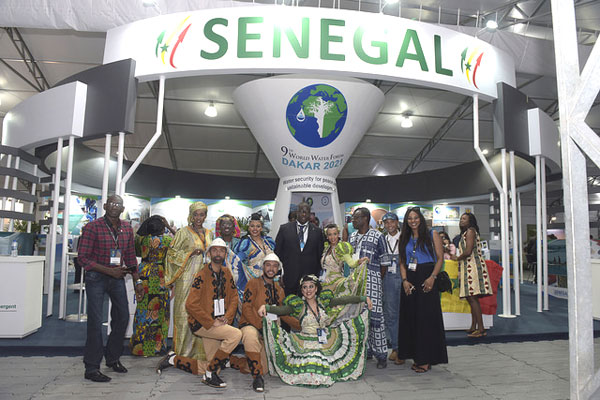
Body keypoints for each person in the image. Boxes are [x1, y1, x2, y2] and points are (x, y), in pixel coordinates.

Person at [258, 275, 373, 387]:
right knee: (313, 361)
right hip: (306, 342)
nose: (308, 290)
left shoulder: (323, 301)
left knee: (332, 361)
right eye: (305, 287)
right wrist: (266, 307)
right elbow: (281, 310)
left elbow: (343, 300)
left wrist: (363, 298)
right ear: (302, 290)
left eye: (311, 286)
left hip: (326, 339)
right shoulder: (298, 305)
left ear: (316, 288)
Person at [157, 238, 242, 388]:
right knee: (235, 334)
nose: (218, 253)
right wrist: (211, 321)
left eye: (221, 250)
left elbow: (234, 297)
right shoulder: (202, 274)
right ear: (209, 254)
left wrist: (227, 317)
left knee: (213, 364)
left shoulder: (226, 272)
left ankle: (173, 359)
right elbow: (190, 304)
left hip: (219, 322)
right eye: (214, 250)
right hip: (202, 324)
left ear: (225, 254)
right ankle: (210, 374)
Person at [78, 194, 143, 382]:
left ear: (122, 209)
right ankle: (91, 367)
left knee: (122, 317)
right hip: (96, 277)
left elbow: (130, 256)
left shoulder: (126, 228)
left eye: (118, 204)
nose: (115, 206)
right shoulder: (93, 227)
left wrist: (137, 281)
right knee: (95, 322)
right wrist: (108, 271)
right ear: (105, 206)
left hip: (117, 277)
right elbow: (83, 258)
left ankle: (112, 358)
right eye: (112, 203)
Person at [231, 253, 299, 392]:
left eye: (274, 266)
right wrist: (260, 326)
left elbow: (282, 313)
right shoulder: (253, 283)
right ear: (263, 267)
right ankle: (257, 378)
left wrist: (300, 325)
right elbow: (246, 308)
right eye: (268, 265)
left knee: (264, 367)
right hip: (251, 325)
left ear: (278, 269)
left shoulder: (279, 289)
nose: (271, 269)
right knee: (250, 337)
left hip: (269, 330)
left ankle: (233, 361)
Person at [398, 207, 448, 373]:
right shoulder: (404, 237)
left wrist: (432, 277)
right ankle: (416, 356)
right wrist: (404, 280)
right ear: (406, 221)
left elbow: (440, 259)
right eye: (410, 218)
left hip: (427, 277)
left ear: (421, 218)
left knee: (425, 319)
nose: (413, 221)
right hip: (410, 279)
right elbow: (402, 261)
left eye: (416, 217)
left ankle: (426, 359)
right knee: (411, 319)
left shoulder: (432, 234)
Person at [165, 202, 213, 363]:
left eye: (202, 214)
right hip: (186, 279)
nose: (198, 218)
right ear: (191, 216)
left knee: (202, 313)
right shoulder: (183, 233)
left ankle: (201, 353)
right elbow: (171, 255)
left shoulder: (209, 233)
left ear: (205, 216)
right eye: (196, 214)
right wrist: (190, 253)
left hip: (204, 280)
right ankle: (182, 353)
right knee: (183, 312)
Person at [348, 207, 388, 369]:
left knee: (376, 318)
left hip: (372, 281)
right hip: (355, 283)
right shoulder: (352, 236)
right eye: (353, 218)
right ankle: (367, 350)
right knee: (359, 316)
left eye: (356, 218)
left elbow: (384, 262)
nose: (353, 221)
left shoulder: (378, 236)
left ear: (365, 218)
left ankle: (382, 355)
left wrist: (376, 279)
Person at [130, 215, 174, 357]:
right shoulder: (167, 240)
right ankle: (157, 347)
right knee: (160, 311)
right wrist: (169, 227)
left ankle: (140, 348)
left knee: (143, 310)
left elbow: (137, 250)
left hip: (144, 273)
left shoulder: (141, 239)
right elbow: (180, 243)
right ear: (162, 228)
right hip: (160, 275)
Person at [452, 212, 493, 337]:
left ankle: (481, 329)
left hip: (473, 266)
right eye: (461, 218)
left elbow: (468, 251)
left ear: (470, 221)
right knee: (471, 298)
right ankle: (473, 326)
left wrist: (457, 258)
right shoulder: (466, 233)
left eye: (464, 219)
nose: (461, 220)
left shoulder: (470, 231)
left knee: (473, 298)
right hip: (468, 266)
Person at [320, 223, 369, 320]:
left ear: (338, 234)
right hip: (325, 282)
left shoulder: (341, 247)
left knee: (336, 311)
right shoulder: (326, 248)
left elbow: (351, 263)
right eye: (330, 234)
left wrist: (359, 261)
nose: (332, 237)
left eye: (335, 234)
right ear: (327, 236)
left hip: (336, 283)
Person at [275, 201, 325, 296]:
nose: (304, 214)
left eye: (306, 212)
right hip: (289, 278)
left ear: (310, 214)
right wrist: (279, 274)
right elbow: (277, 252)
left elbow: (319, 255)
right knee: (289, 304)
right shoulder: (284, 229)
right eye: (301, 211)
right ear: (297, 212)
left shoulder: (317, 232)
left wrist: (316, 276)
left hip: (309, 281)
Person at [380, 212, 404, 365]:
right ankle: (396, 347)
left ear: (397, 222)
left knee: (405, 312)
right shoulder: (382, 239)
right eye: (386, 223)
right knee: (391, 313)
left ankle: (407, 347)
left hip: (404, 275)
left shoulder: (405, 238)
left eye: (392, 222)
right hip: (388, 277)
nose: (389, 225)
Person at [233, 213, 275, 294]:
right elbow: (237, 260)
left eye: (258, 226)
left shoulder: (269, 241)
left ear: (261, 228)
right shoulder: (246, 243)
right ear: (249, 228)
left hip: (270, 279)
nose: (255, 229)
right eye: (252, 226)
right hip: (254, 281)